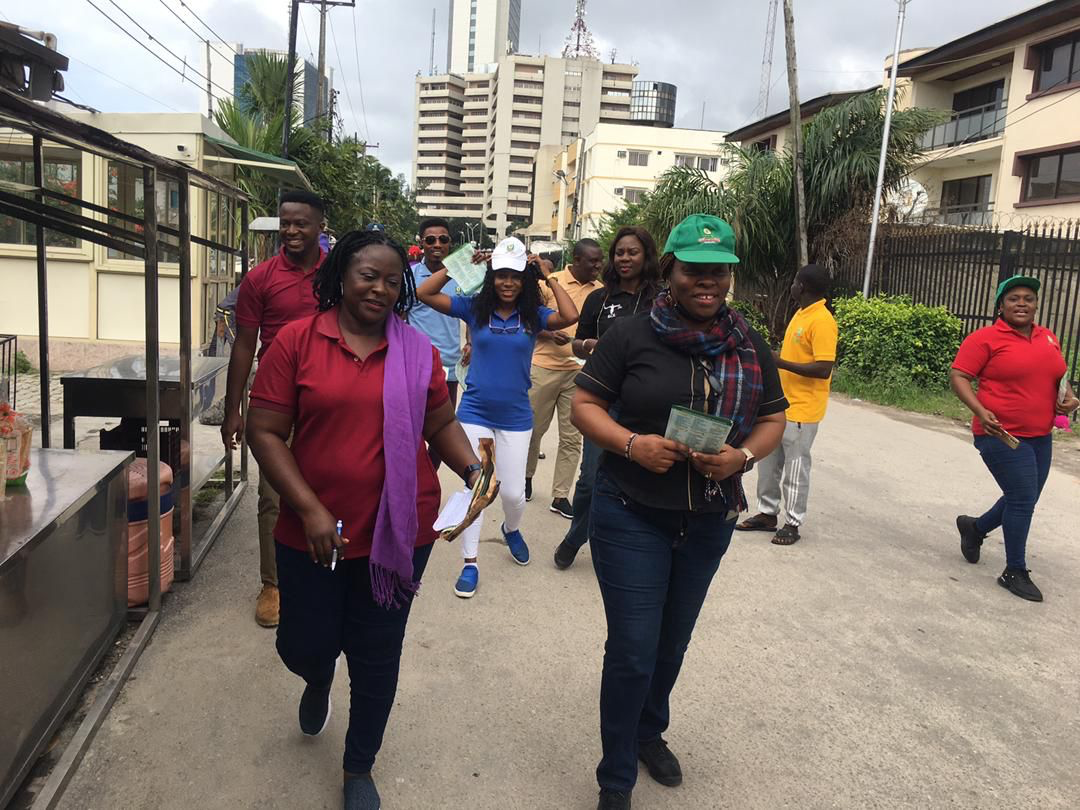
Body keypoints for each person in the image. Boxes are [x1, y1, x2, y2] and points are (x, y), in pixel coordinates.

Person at [246, 230, 483, 810]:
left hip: (399, 533)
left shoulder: (416, 351)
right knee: (305, 643)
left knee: (378, 653)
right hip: (312, 534)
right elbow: (265, 432)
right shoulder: (299, 341)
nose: (378, 287)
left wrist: (474, 470)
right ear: (340, 278)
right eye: (365, 275)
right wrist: (309, 508)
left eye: (389, 278)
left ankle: (358, 766)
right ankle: (317, 676)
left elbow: (440, 424)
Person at [571, 215, 787, 810]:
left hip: (709, 518)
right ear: (670, 271)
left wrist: (741, 456)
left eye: (718, 271)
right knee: (635, 647)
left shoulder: (747, 342)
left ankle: (648, 731)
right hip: (630, 509)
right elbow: (585, 404)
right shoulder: (633, 336)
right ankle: (616, 774)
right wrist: (630, 443)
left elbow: (773, 418)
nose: (707, 282)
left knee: (671, 644)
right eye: (695, 269)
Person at [416, 236, 580, 598]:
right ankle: (470, 562)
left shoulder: (533, 315)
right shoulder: (474, 308)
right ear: (491, 277)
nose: (508, 282)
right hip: (475, 411)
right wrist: (460, 264)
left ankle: (511, 528)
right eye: (501, 275)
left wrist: (545, 275)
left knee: (512, 495)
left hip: (517, 416)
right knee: (478, 487)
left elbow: (570, 316)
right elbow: (425, 293)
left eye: (516, 276)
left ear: (524, 280)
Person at [223, 190, 327, 628]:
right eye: (285, 222)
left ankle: (322, 572)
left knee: (328, 482)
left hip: (326, 392)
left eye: (300, 223)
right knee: (273, 495)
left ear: (320, 226)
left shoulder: (338, 277)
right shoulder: (260, 279)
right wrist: (233, 409)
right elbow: (245, 344)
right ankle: (274, 584)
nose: (290, 230)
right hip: (275, 397)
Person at [950, 275, 1078, 602]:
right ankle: (1014, 571)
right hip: (999, 434)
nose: (1022, 303)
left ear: (1036, 305)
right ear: (1001, 305)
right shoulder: (985, 339)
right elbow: (959, 376)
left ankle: (975, 528)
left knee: (1024, 497)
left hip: (1041, 435)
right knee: (1022, 498)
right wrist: (980, 410)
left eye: (1028, 298)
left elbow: (1059, 376)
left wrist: (1070, 398)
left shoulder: (1048, 337)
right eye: (1013, 298)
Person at [553, 226, 662, 570]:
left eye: (632, 252)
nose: (625, 258)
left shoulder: (662, 299)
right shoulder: (600, 299)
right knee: (590, 479)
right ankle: (576, 536)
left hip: (649, 403)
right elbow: (575, 343)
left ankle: (631, 546)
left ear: (646, 256)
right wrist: (588, 346)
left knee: (644, 480)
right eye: (620, 252)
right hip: (605, 401)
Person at [736, 264, 838, 545]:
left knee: (795, 468)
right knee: (768, 463)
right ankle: (767, 513)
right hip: (782, 404)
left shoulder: (822, 321)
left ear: (801, 287)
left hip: (803, 409)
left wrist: (779, 361)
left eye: (794, 281)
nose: (791, 286)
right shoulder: (802, 314)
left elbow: (823, 368)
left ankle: (793, 522)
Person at [524, 238, 604, 518]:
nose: (598, 266)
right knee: (534, 430)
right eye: (593, 261)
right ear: (577, 260)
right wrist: (548, 334)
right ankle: (526, 477)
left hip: (580, 373)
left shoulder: (601, 291)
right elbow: (527, 320)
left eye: (600, 261)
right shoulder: (550, 282)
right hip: (543, 367)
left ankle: (560, 496)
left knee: (572, 438)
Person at [408, 218, 464, 467]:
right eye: (430, 240)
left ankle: (427, 476)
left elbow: (473, 312)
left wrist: (471, 341)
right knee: (413, 429)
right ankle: (414, 480)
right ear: (421, 243)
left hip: (450, 366)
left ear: (450, 243)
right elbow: (399, 318)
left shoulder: (462, 275)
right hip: (416, 366)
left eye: (443, 239)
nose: (437, 244)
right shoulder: (408, 276)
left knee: (444, 432)